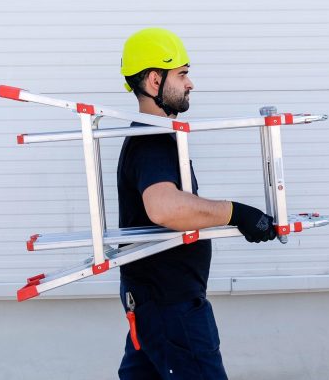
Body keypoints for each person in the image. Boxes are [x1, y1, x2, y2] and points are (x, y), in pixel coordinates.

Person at [116, 27, 278, 379]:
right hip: (171, 308)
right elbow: (164, 207)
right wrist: (237, 213)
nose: (191, 84)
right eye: (183, 74)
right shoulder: (154, 137)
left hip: (153, 303)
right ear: (154, 80)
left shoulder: (148, 134)